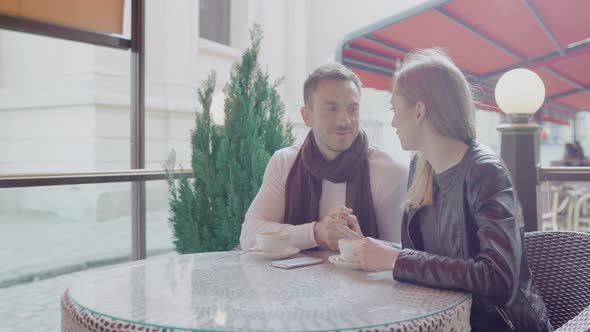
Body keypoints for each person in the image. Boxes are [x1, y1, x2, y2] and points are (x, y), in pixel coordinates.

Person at [355, 49, 552, 331]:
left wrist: (396, 259)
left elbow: (498, 279)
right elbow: (424, 259)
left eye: (395, 108)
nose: (394, 122)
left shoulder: (485, 172)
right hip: (440, 321)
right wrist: (367, 246)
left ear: (419, 111)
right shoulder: (420, 168)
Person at [239, 63, 407, 251]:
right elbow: (249, 234)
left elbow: (400, 254)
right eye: (331, 109)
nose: (344, 121)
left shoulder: (389, 172)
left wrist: (357, 243)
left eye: (352, 109)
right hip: (290, 280)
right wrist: (317, 233)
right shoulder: (285, 163)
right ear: (307, 116)